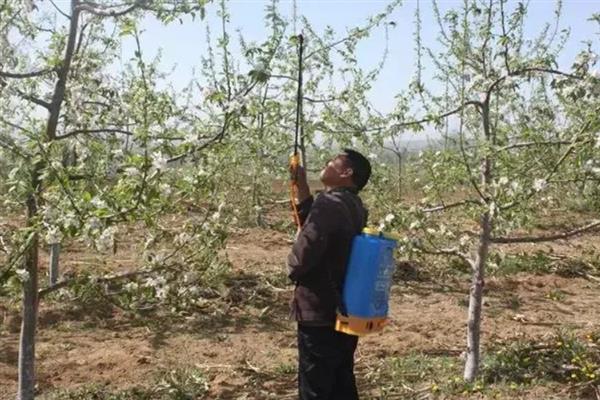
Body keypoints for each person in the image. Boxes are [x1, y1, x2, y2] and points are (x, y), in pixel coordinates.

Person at [288, 149, 371, 400]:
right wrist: (301, 185)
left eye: (333, 161)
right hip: (344, 310)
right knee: (341, 382)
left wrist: (291, 263)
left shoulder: (329, 204)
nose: (326, 163)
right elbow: (315, 219)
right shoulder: (353, 205)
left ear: (346, 172)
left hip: (320, 311)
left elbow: (302, 258)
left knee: (316, 388)